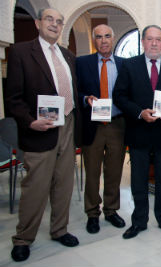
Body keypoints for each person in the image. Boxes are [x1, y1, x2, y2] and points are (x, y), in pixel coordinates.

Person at [4, 8, 81, 262]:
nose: (55, 24)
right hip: (39, 130)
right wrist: (29, 122)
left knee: (64, 184)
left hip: (68, 125)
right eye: (49, 19)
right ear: (37, 23)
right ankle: (23, 238)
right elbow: (13, 99)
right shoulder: (20, 52)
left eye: (59, 22)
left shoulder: (68, 56)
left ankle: (59, 230)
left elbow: (71, 90)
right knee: (35, 188)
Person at [113, 25, 161, 239]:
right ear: (143, 42)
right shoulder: (129, 65)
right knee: (138, 180)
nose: (154, 43)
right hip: (139, 131)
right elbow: (120, 96)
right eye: (149, 39)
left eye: (158, 39)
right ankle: (139, 221)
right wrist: (138, 112)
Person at [76, 24, 126, 234]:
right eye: (99, 37)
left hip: (117, 124)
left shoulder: (125, 64)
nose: (103, 40)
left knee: (114, 172)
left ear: (112, 39)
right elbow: (74, 91)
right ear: (94, 40)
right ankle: (92, 213)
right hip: (93, 125)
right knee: (93, 172)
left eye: (107, 36)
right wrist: (85, 99)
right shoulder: (82, 63)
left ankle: (111, 210)